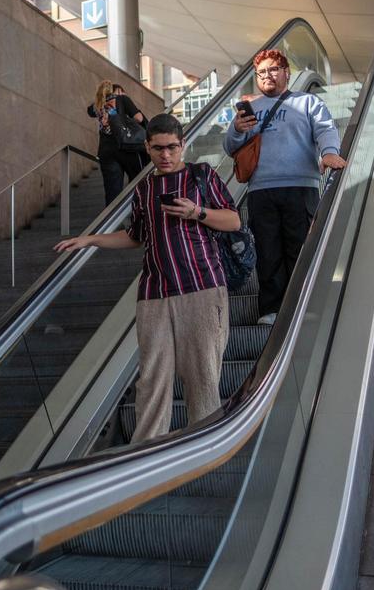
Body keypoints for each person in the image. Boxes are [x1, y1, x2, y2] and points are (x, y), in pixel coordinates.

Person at [55, 114, 240, 442]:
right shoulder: (143, 188)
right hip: (153, 293)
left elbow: (233, 221)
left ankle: (205, 449)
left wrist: (197, 212)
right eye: (158, 148)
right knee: (152, 381)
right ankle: (146, 454)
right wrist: (91, 239)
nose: (165, 155)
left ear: (183, 145)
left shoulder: (202, 176)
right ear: (147, 147)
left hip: (202, 286)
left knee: (203, 379)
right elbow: (136, 236)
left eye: (171, 147)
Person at [224, 49, 347, 325]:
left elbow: (326, 129)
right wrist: (237, 129)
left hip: (300, 185)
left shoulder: (307, 102)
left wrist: (328, 152)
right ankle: (272, 309)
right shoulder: (252, 107)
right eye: (262, 72)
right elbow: (230, 147)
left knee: (300, 248)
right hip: (260, 190)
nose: (267, 76)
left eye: (273, 70)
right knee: (268, 251)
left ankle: (304, 306)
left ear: (286, 72)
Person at [87, 79, 147, 205]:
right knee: (138, 183)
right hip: (127, 146)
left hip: (106, 152)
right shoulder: (123, 100)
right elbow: (139, 118)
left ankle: (114, 223)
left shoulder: (97, 106)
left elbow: (90, 111)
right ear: (115, 90)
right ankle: (139, 214)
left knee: (112, 192)